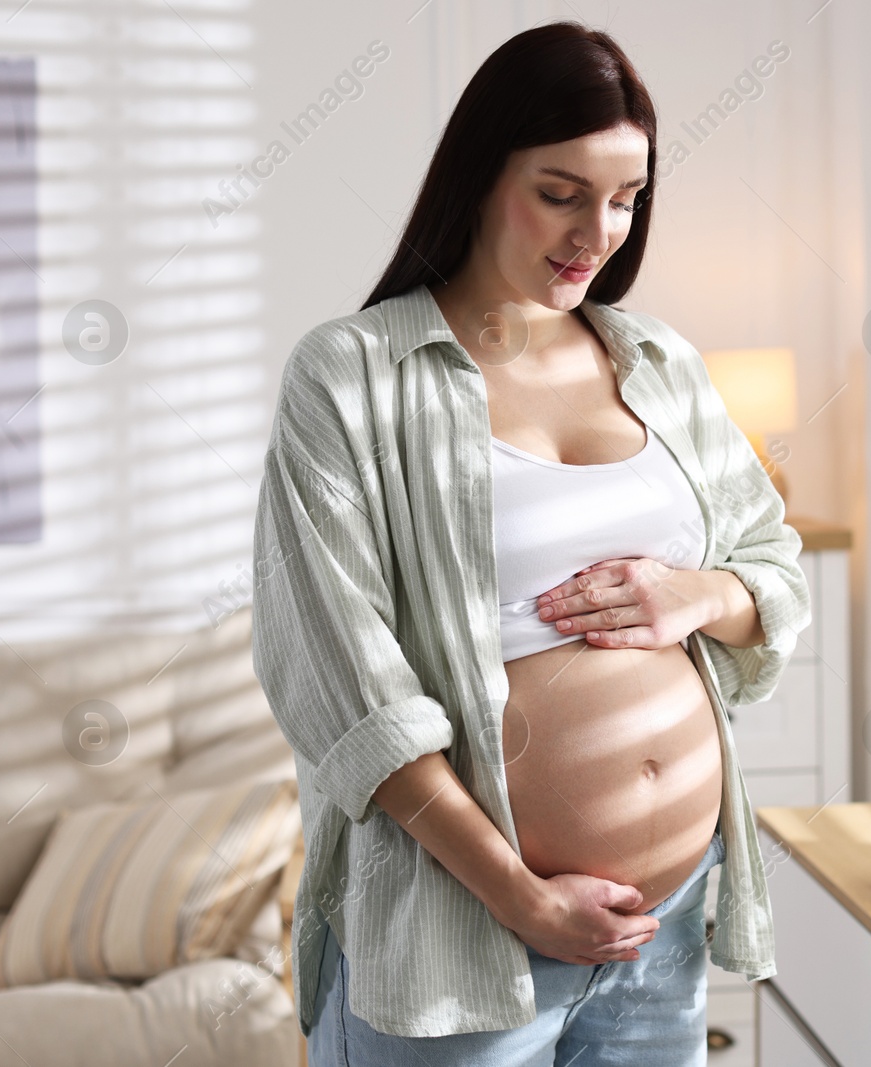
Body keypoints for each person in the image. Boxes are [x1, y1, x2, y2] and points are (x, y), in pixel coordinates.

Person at [250, 19, 812, 1066]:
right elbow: (342, 684)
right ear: (478, 172)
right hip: (461, 930)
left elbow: (771, 568)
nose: (595, 231)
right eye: (560, 192)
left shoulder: (658, 361)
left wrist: (693, 595)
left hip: (661, 931)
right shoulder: (351, 377)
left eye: (625, 198)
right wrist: (521, 895)